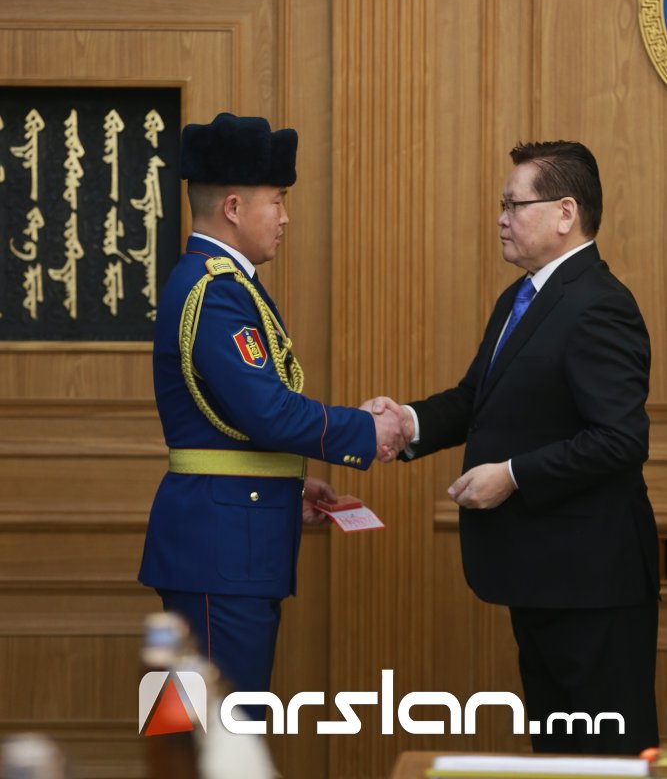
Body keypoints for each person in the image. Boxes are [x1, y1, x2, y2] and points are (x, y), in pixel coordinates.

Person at [371, 141, 659, 754]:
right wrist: (407, 422)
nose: (501, 219)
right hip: (542, 576)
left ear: (565, 213)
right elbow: (476, 399)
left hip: (592, 583)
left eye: (513, 205)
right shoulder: (521, 297)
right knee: (558, 755)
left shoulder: (600, 304)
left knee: (606, 758)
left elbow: (620, 440)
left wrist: (512, 474)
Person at [139, 112, 402, 717]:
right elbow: (269, 412)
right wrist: (370, 431)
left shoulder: (221, 282)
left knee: (211, 732)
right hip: (220, 552)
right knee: (217, 738)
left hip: (227, 540)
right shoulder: (216, 289)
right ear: (234, 208)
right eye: (278, 200)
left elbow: (233, 422)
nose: (285, 217)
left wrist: (287, 483)